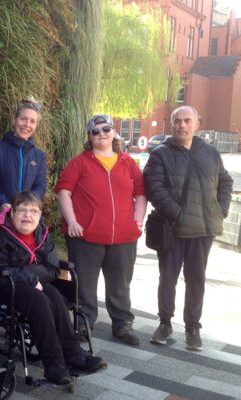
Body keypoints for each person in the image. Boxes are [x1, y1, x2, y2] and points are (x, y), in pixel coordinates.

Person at [0, 191, 105, 384]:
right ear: (12, 213)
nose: (28, 215)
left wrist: (28, 275)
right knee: (39, 300)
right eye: (22, 210)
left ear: (39, 214)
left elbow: (52, 268)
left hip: (30, 284)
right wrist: (30, 276)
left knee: (55, 296)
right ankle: (54, 365)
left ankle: (74, 354)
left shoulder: (42, 234)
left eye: (33, 211)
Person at [143, 105, 232, 351]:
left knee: (196, 279)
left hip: (203, 230)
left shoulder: (211, 152)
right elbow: (154, 188)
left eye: (187, 120)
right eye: (178, 121)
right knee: (168, 278)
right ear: (172, 125)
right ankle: (164, 323)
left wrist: (220, 210)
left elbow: (225, 181)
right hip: (173, 228)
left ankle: (193, 327)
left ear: (197, 124)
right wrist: (179, 213)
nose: (182, 125)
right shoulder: (160, 154)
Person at [55, 114, 147, 346]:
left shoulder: (128, 162)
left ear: (114, 132)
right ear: (89, 136)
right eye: (95, 131)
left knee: (120, 283)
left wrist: (137, 220)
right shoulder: (80, 162)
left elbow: (141, 193)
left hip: (123, 238)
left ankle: (122, 324)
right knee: (85, 284)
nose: (102, 134)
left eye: (106, 129)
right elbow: (63, 192)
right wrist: (72, 221)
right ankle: (85, 324)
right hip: (85, 237)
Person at [0, 99, 46, 216]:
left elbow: (40, 185)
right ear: (14, 120)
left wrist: (29, 206)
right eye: (23, 119)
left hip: (29, 217)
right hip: (4, 215)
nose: (27, 125)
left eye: (32, 121)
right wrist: (2, 203)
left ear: (36, 125)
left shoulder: (39, 156)